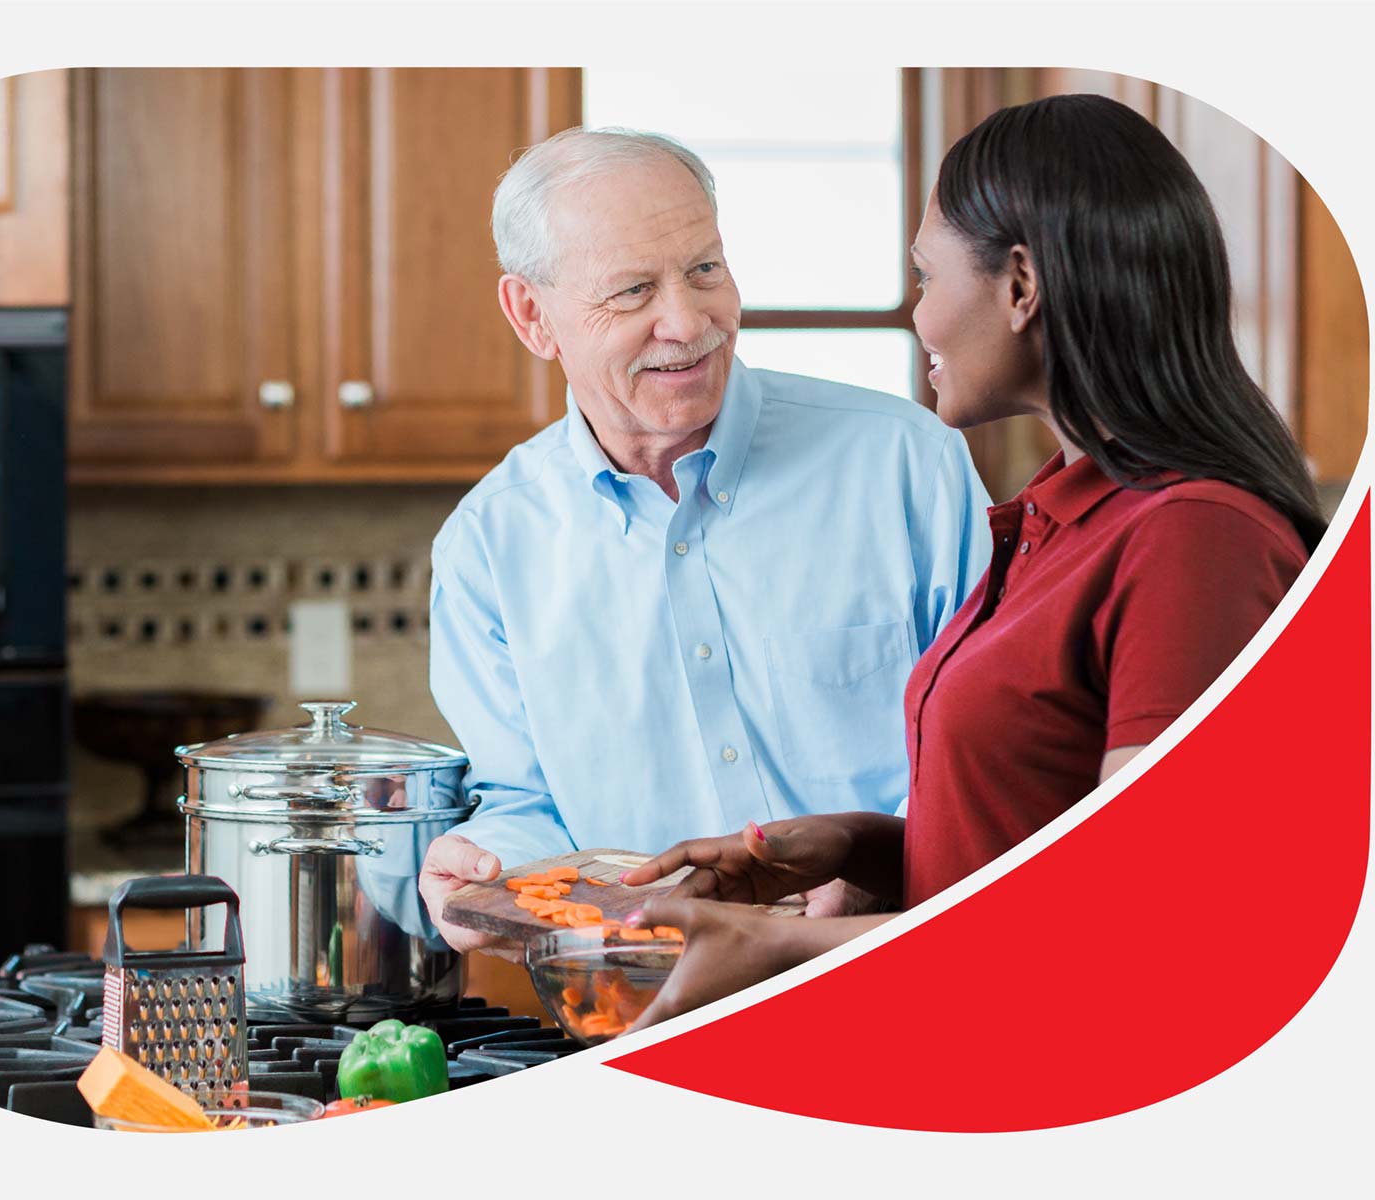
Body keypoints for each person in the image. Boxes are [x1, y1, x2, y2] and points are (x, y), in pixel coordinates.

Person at [622, 93, 1323, 1026]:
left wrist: (781, 944)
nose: (921, 319)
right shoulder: (1057, 520)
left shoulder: (1195, 540)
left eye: (925, 278)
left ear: (1020, 286)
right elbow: (1029, 834)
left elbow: (1136, 914)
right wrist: (858, 846)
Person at [420, 127, 995, 952]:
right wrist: (481, 872)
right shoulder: (489, 545)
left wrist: (881, 863)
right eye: (631, 292)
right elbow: (525, 803)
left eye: (704, 269)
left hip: (900, 959)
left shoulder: (906, 463)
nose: (688, 322)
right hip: (645, 1003)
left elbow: (987, 745)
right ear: (533, 315)